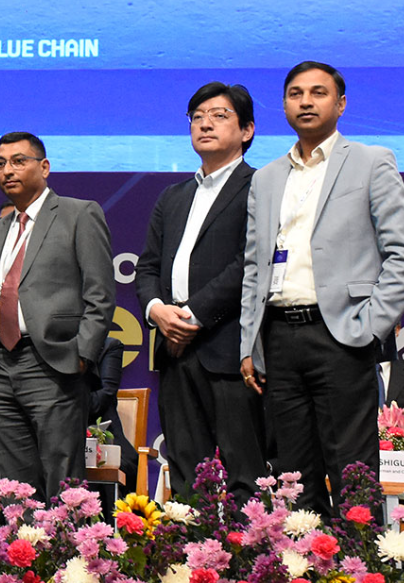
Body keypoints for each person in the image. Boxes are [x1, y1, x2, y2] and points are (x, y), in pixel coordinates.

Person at [240, 61, 404, 516]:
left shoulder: (373, 160)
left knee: (352, 467)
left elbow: (400, 253)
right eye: (295, 94)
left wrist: (371, 326)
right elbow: (255, 265)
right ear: (285, 105)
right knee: (293, 473)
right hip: (279, 335)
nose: (306, 101)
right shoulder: (267, 177)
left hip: (342, 333)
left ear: (341, 103)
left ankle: (361, 567)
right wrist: (249, 341)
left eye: (318, 92)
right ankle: (303, 566)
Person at [135, 81, 266, 502]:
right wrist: (158, 311)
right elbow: (148, 266)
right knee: (186, 472)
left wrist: (191, 316)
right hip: (175, 351)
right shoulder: (173, 196)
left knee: (244, 471)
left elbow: (249, 263)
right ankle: (193, 563)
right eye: (197, 117)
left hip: (228, 350)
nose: (205, 123)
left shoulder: (260, 187)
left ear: (246, 130)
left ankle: (249, 563)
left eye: (219, 115)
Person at [0, 132, 115, 499]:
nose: (7, 171)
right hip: (0, 366)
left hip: (53, 362)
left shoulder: (78, 213)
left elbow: (100, 291)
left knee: (62, 480)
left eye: (19, 161)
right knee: (13, 487)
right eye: (0, 164)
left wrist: (82, 354)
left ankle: (69, 556)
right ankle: (24, 553)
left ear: (44, 167)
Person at [87, 337, 136, 494]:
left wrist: (65, 403)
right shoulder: (48, 348)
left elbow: (105, 395)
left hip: (104, 441)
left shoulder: (109, 346)